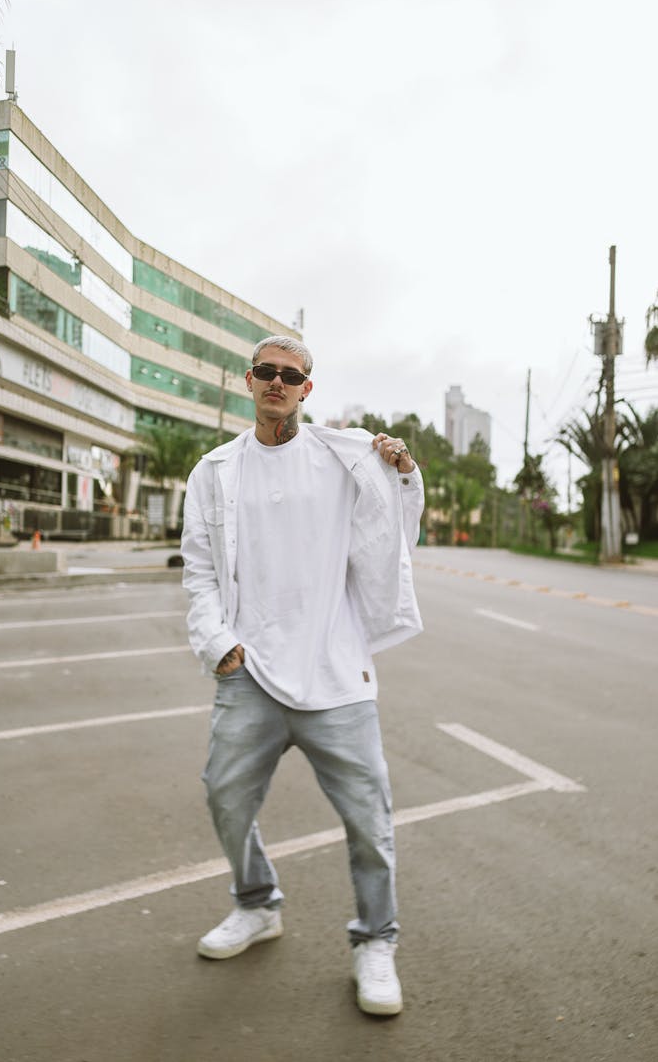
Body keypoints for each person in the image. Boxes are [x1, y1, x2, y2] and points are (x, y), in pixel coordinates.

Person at [180, 335, 424, 1016]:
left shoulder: (340, 459)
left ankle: (376, 940)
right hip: (249, 672)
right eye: (267, 371)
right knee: (224, 797)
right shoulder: (215, 471)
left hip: (335, 673)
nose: (278, 382)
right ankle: (257, 903)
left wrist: (402, 470)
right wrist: (218, 644)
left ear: (307, 389)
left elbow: (395, 528)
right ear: (249, 381)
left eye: (291, 375)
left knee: (369, 819)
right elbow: (197, 569)